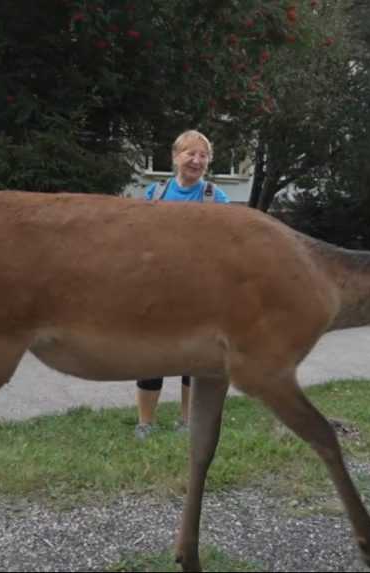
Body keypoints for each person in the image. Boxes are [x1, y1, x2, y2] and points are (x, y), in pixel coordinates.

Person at [135, 129, 231, 440]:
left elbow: (228, 244)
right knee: (151, 356)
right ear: (176, 157)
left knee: (194, 358)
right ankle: (145, 424)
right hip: (158, 290)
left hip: (198, 293)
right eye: (191, 153)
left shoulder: (216, 198)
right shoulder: (156, 194)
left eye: (203, 155)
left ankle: (187, 421)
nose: (197, 160)